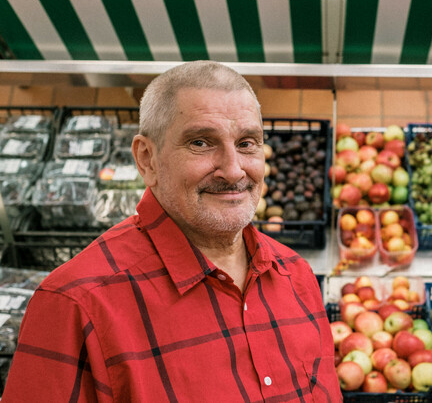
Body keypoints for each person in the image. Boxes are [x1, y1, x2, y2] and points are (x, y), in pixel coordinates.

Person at [3, 61, 341, 402]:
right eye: (200, 143)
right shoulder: (75, 304)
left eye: (247, 143)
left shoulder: (296, 275)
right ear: (147, 159)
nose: (233, 169)